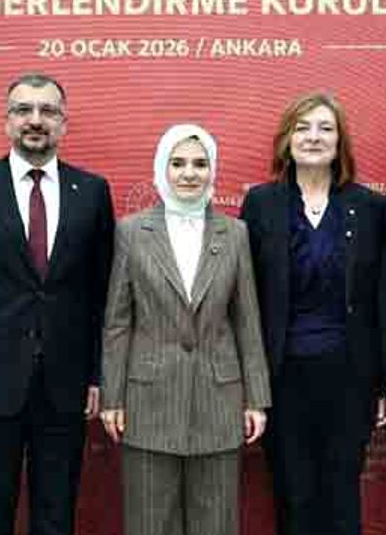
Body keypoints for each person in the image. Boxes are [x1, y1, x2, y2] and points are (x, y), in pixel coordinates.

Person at [0, 72, 115, 535]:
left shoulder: (92, 191)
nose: (35, 120)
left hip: (66, 385)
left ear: (63, 123)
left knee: (57, 516)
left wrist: (98, 374)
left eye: (48, 111)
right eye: (23, 110)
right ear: (6, 121)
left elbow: (104, 293)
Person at [239, 93, 386, 535]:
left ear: (340, 142)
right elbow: (245, 300)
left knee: (341, 496)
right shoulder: (261, 204)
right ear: (286, 140)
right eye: (303, 128)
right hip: (282, 378)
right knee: (293, 497)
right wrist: (248, 386)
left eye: (325, 128)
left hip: (349, 377)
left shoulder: (370, 207)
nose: (313, 137)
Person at [100, 123, 270, 535]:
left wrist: (256, 399)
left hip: (219, 399)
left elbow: (246, 319)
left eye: (199, 163)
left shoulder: (235, 233)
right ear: (162, 168)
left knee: (217, 523)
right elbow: (118, 322)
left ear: (213, 170)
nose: (189, 173)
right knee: (149, 523)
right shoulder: (132, 231)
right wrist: (112, 397)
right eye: (178, 163)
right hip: (147, 401)